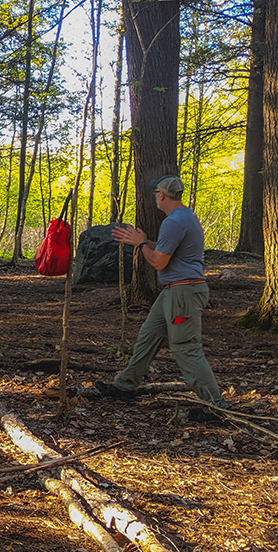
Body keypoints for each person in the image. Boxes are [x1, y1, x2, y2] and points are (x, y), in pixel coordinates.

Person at [96, 175, 226, 408]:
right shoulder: (183, 216)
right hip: (173, 292)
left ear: (162, 195)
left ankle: (215, 405)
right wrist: (143, 240)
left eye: (156, 193)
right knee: (148, 336)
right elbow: (168, 249)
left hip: (183, 293)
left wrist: (141, 245)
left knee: (186, 347)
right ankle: (124, 386)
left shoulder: (174, 221)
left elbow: (158, 262)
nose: (155, 197)